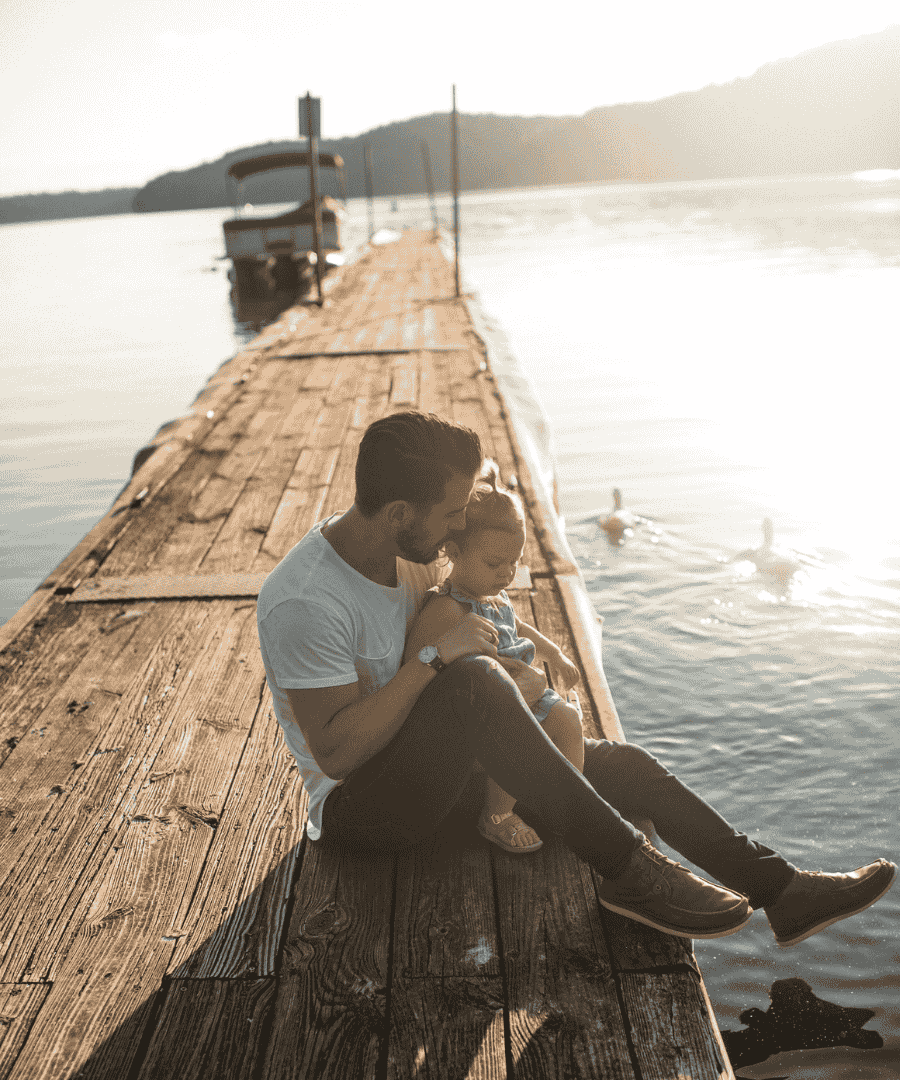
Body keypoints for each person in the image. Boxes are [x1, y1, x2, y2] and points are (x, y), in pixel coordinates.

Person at [257, 410, 895, 945]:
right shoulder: (307, 601)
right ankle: (630, 873)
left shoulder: (413, 552)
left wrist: (525, 647)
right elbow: (338, 756)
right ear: (399, 512)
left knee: (627, 766)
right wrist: (433, 662)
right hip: (366, 814)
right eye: (451, 512)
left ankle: (784, 891)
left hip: (445, 770)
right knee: (474, 680)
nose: (459, 526)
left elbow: (474, 614)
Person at [410, 458, 585, 854]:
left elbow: (518, 626)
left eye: (515, 562)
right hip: (488, 711)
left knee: (569, 720)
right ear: (452, 551)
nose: (507, 573)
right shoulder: (448, 609)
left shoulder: (493, 594)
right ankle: (496, 815)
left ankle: (568, 801)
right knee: (513, 740)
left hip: (523, 687)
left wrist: (553, 653)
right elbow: (419, 665)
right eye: (494, 563)